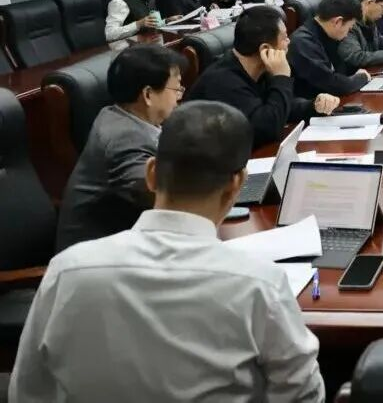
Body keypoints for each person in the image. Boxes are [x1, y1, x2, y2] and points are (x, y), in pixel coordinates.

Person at [11, 102, 325, 401]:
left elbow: (29, 390)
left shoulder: (67, 270)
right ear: (237, 184)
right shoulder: (260, 284)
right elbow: (302, 394)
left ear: (151, 173)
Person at [54, 44, 186, 252]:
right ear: (148, 94)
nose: (180, 96)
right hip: (96, 259)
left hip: (128, 244)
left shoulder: (120, 116)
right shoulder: (125, 139)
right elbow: (164, 196)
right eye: (176, 89)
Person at [186, 6, 341, 150]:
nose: (289, 42)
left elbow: (281, 106)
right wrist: (281, 77)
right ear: (265, 49)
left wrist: (313, 105)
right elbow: (268, 128)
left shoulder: (259, 70)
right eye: (284, 38)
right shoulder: (223, 82)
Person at [287, 0, 371, 98]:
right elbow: (333, 85)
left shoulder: (326, 34)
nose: (347, 34)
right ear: (338, 22)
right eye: (349, 28)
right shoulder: (303, 42)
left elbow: (342, 73)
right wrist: (362, 78)